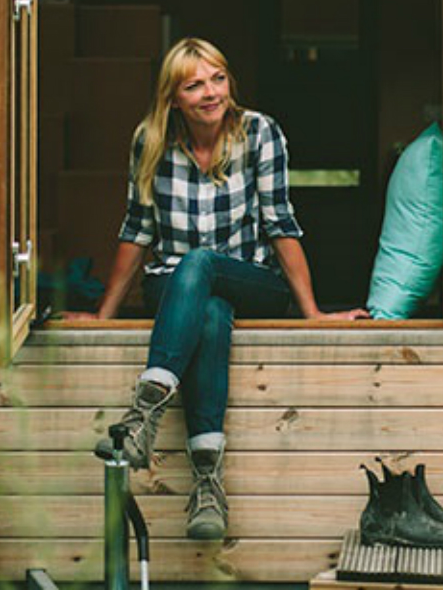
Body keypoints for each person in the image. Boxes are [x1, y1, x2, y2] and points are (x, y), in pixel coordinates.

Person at [94, 37, 366, 540]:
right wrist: (103, 315)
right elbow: (137, 231)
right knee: (211, 311)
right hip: (173, 285)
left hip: (252, 279)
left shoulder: (258, 132)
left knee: (204, 267)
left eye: (217, 78)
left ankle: (143, 414)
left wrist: (313, 314)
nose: (210, 92)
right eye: (194, 84)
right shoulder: (149, 140)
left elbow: (280, 222)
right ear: (173, 97)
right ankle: (206, 485)